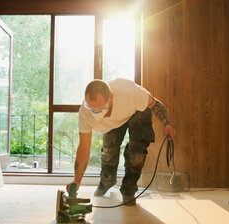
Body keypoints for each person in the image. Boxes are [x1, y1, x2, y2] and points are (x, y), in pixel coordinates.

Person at [68, 78, 175, 206]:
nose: (95, 111)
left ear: (111, 97)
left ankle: (128, 190)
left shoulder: (130, 93)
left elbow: (155, 104)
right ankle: (106, 182)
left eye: (100, 107)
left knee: (136, 154)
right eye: (92, 107)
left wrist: (166, 124)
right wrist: (77, 180)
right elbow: (84, 148)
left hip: (137, 114)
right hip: (112, 125)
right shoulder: (85, 113)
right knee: (108, 155)